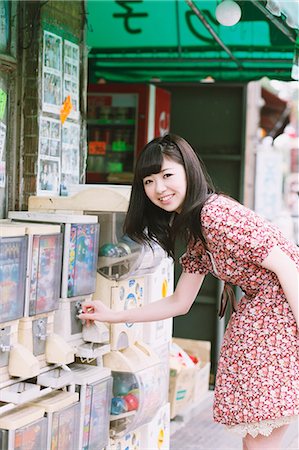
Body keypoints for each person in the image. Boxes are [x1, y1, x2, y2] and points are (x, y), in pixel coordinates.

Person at [79, 134, 299, 450]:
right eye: (149, 181)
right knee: (257, 441)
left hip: (276, 320)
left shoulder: (213, 214)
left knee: (260, 442)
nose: (159, 188)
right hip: (265, 321)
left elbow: (287, 266)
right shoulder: (198, 227)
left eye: (167, 175)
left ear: (188, 171)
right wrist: (114, 315)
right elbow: (181, 302)